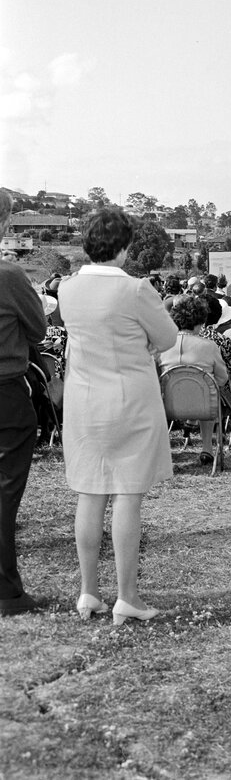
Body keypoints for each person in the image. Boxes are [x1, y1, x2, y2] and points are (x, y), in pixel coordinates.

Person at [59, 207, 179, 625]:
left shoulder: (68, 289)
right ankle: (127, 595)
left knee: (89, 495)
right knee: (128, 496)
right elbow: (166, 338)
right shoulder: (135, 289)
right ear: (125, 247)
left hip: (84, 401)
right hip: (130, 402)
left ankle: (88, 591)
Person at [0, 190, 47, 616]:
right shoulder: (9, 276)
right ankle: (6, 591)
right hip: (5, 393)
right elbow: (38, 329)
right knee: (5, 492)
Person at [159, 294, 229, 465]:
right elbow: (222, 378)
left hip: (167, 407)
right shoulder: (209, 346)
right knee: (208, 392)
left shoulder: (161, 346)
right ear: (201, 320)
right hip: (204, 406)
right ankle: (207, 448)